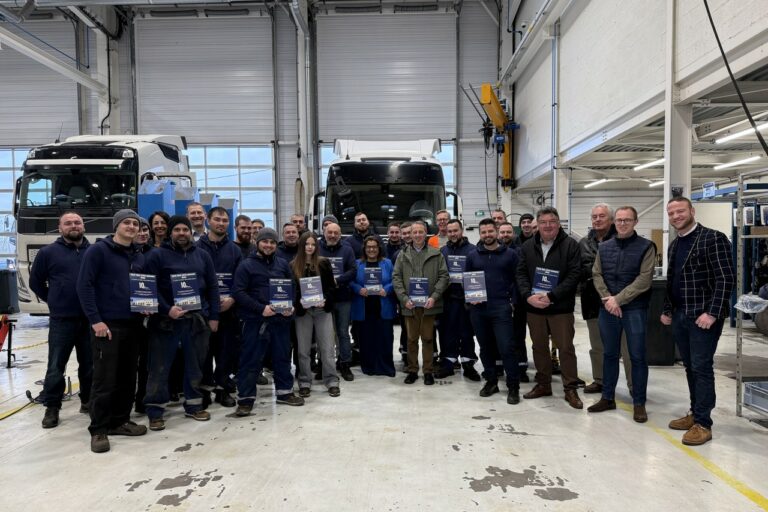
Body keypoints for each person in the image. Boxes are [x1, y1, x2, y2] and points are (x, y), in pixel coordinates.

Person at [661, 196, 734, 446]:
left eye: (680, 211)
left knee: (702, 368)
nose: (676, 216)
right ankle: (695, 413)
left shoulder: (713, 238)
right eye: (671, 213)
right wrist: (668, 309)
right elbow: (673, 281)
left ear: (692, 211)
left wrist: (712, 312)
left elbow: (726, 278)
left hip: (703, 317)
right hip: (681, 314)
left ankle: (703, 424)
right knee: (690, 366)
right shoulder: (674, 244)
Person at [76, 209, 148, 453]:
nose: (131, 227)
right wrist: (95, 320)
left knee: (128, 377)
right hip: (106, 326)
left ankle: (120, 421)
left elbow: (142, 290)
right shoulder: (97, 251)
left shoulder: (138, 255)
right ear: (116, 226)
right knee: (104, 380)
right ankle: (98, 430)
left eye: (135, 223)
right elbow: (84, 286)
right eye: (126, 222)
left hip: (133, 324)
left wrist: (147, 307)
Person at [143, 216, 220, 430]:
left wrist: (213, 316)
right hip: (166, 321)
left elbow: (213, 287)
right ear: (170, 232)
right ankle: (155, 410)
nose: (182, 233)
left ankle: (194, 406)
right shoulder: (157, 255)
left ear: (190, 232)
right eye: (177, 229)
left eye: (185, 229)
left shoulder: (202, 256)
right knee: (159, 367)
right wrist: (167, 309)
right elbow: (149, 288)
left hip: (196, 321)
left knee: (194, 366)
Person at [588, 206, 656, 423]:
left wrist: (619, 299)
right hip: (608, 309)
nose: (623, 223)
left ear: (635, 222)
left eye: (627, 220)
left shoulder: (646, 247)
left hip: (634, 309)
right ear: (614, 222)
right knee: (609, 354)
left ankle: (639, 403)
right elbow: (596, 273)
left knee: (637, 356)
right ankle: (607, 397)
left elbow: (645, 279)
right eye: (619, 220)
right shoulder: (604, 247)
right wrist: (608, 298)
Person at [515, 207, 583, 410]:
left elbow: (574, 275)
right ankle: (543, 384)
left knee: (566, 348)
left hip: (560, 307)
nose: (547, 225)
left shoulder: (571, 245)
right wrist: (528, 296)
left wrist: (552, 295)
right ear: (538, 224)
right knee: (539, 347)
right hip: (535, 308)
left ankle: (570, 388)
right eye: (543, 222)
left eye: (552, 221)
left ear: (558, 223)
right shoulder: (528, 247)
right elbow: (521, 274)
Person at [30, 212, 92, 429]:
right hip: (61, 320)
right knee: (56, 366)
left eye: (77, 222)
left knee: (90, 365)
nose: (73, 226)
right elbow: (35, 282)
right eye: (68, 223)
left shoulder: (94, 251)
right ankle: (52, 406)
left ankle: (88, 401)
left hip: (89, 320)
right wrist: (54, 300)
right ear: (60, 228)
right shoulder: (48, 253)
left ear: (83, 226)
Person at [233, 228, 302, 415]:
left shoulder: (282, 264)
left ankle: (285, 393)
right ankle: (245, 399)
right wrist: (260, 308)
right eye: (265, 241)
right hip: (255, 321)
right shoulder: (246, 265)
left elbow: (292, 287)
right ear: (257, 242)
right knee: (250, 360)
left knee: (282, 357)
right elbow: (238, 292)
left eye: (272, 242)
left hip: (280, 322)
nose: (269, 245)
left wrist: (291, 306)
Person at [466, 219, 521, 404]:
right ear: (479, 234)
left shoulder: (511, 255)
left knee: (506, 348)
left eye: (490, 231)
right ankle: (491, 381)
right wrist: (471, 300)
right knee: (485, 347)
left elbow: (517, 280)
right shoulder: (473, 256)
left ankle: (513, 386)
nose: (487, 235)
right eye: (483, 232)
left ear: (496, 232)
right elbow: (468, 281)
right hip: (479, 309)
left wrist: (513, 302)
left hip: (501, 308)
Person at [579, 204, 632, 395]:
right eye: (594, 216)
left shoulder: (622, 240)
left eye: (602, 216)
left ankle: (634, 386)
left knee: (628, 349)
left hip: (621, 302)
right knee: (598, 346)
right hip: (593, 302)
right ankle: (600, 380)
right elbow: (579, 270)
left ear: (611, 219)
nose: (597, 220)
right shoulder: (584, 243)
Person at [392, 221, 449, 385]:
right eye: (414, 232)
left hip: (429, 305)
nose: (417, 235)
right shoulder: (402, 255)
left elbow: (444, 276)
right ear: (410, 235)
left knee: (428, 338)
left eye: (420, 232)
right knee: (411, 339)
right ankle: (412, 370)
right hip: (410, 305)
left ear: (426, 234)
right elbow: (396, 278)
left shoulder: (436, 254)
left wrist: (434, 296)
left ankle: (428, 371)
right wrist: (404, 298)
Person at [197, 207, 242, 408]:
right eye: (217, 219)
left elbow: (241, 280)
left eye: (225, 220)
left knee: (225, 352)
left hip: (228, 310)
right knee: (204, 354)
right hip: (204, 311)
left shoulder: (235, 250)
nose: (221, 223)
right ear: (208, 220)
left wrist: (232, 298)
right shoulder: (196, 248)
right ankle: (205, 390)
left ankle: (222, 388)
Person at [291, 232, 340, 396]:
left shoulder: (324, 263)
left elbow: (332, 288)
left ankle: (331, 380)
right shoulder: (293, 266)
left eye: (312, 244)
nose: (310, 247)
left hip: (321, 310)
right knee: (303, 350)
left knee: (327, 348)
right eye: (306, 244)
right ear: (301, 246)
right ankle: (304, 381)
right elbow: (293, 291)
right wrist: (299, 302)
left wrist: (325, 299)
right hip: (303, 312)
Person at [436, 219, 480, 381]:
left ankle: (468, 365)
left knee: (467, 333)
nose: (453, 234)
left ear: (461, 231)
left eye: (456, 230)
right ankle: (448, 364)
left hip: (468, 300)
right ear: (446, 233)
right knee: (448, 332)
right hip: (448, 300)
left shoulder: (474, 250)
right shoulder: (442, 252)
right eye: (450, 231)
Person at [351, 236, 397, 377]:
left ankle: (385, 366)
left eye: (374, 247)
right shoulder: (357, 264)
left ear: (379, 248)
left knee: (385, 338)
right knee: (366, 339)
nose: (371, 249)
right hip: (365, 307)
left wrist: (387, 289)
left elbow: (396, 279)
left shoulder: (387, 263)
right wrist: (359, 289)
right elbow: (351, 281)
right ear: (364, 249)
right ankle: (369, 366)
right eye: (368, 247)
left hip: (383, 306)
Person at [318, 222, 357, 381]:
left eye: (336, 233)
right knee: (323, 334)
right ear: (324, 232)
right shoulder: (317, 249)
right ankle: (323, 364)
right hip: (323, 298)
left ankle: (345, 363)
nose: (332, 235)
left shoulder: (347, 250)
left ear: (340, 234)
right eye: (330, 232)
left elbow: (353, 271)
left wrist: (337, 280)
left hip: (342, 298)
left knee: (342, 333)